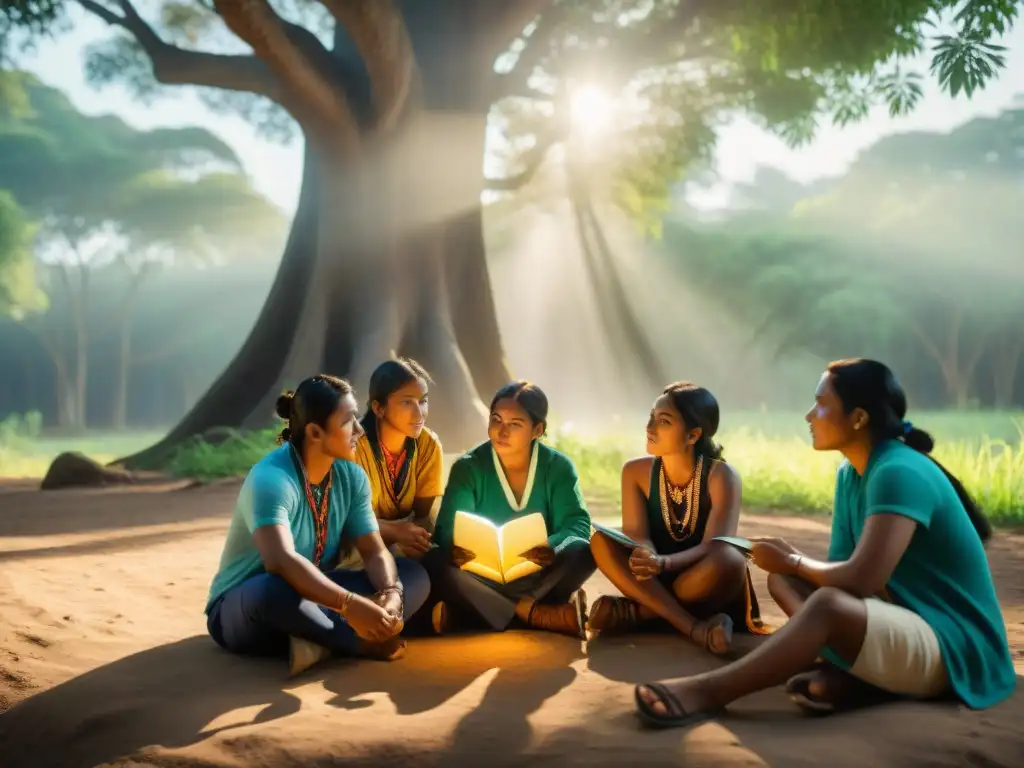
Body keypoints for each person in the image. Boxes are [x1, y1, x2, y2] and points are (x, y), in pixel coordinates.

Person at [634, 359, 1016, 729]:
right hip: (904, 618)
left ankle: (708, 692)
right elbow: (840, 569)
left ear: (859, 418)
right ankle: (857, 680)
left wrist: (794, 559)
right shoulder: (851, 473)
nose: (809, 415)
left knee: (825, 603)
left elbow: (861, 580)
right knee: (783, 582)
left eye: (821, 404)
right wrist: (789, 567)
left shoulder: (899, 471)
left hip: (954, 647)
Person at [204, 374, 430, 677]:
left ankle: (322, 639)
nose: (361, 431)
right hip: (246, 606)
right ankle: (355, 640)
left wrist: (391, 594)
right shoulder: (271, 480)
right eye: (349, 421)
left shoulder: (352, 477)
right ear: (314, 433)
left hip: (318, 594)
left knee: (413, 574)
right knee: (273, 591)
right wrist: (350, 606)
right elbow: (280, 561)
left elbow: (374, 551)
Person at [588, 382, 768, 656]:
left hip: (701, 579)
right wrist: (646, 554)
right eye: (651, 416)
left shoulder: (722, 476)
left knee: (730, 557)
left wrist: (664, 563)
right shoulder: (635, 471)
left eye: (664, 421)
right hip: (655, 577)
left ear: (693, 435)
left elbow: (714, 545)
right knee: (601, 541)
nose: (650, 427)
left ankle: (641, 612)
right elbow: (638, 533)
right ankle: (695, 627)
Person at [423, 381, 596, 637]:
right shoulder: (469, 467)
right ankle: (536, 614)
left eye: (515, 424)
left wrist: (552, 546)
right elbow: (447, 528)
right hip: (481, 577)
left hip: (540, 574)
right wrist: (455, 549)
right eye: (497, 420)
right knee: (435, 561)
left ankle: (481, 616)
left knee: (585, 549)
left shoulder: (558, 467)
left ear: (537, 430)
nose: (502, 431)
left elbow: (577, 523)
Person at [351, 358, 443, 561]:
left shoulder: (428, 445)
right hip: (355, 551)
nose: (420, 413)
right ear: (378, 408)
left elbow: (422, 516)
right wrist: (396, 533)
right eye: (406, 402)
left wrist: (413, 539)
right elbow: (346, 521)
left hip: (404, 548)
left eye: (423, 401)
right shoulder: (352, 448)